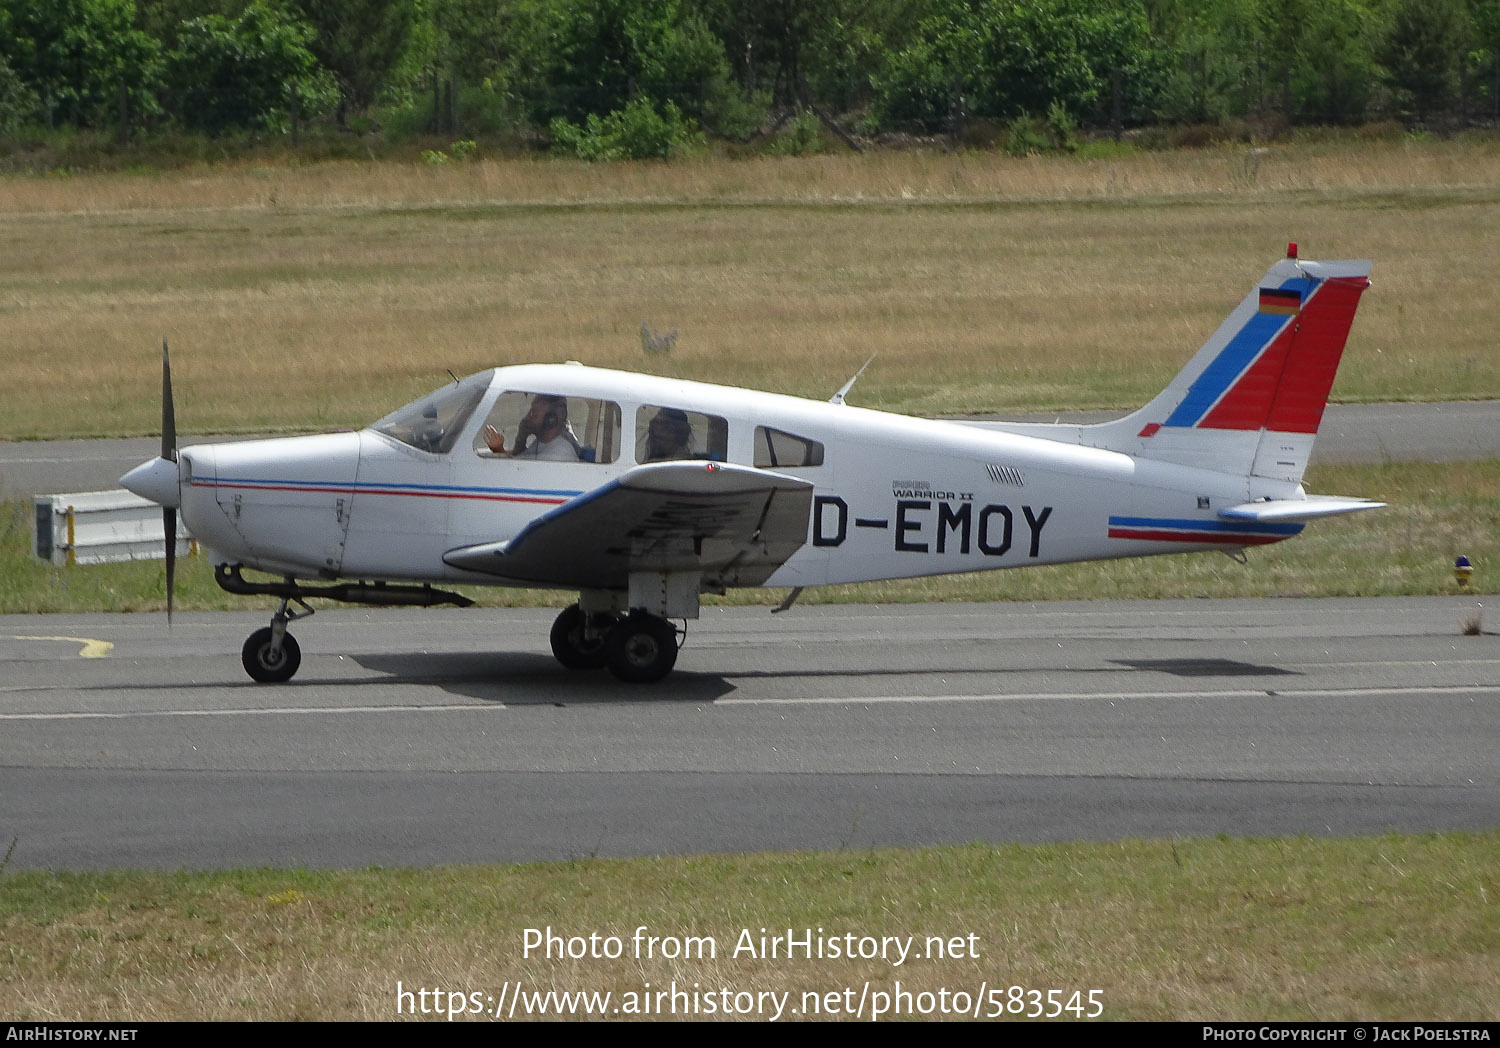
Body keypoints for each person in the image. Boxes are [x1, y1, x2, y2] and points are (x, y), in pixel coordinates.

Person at [483, 394, 580, 461]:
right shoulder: (541, 443)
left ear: (552, 419)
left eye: (535, 414)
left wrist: (498, 450)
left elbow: (518, 476)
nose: (528, 417)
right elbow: (519, 458)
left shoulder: (559, 452)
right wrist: (522, 436)